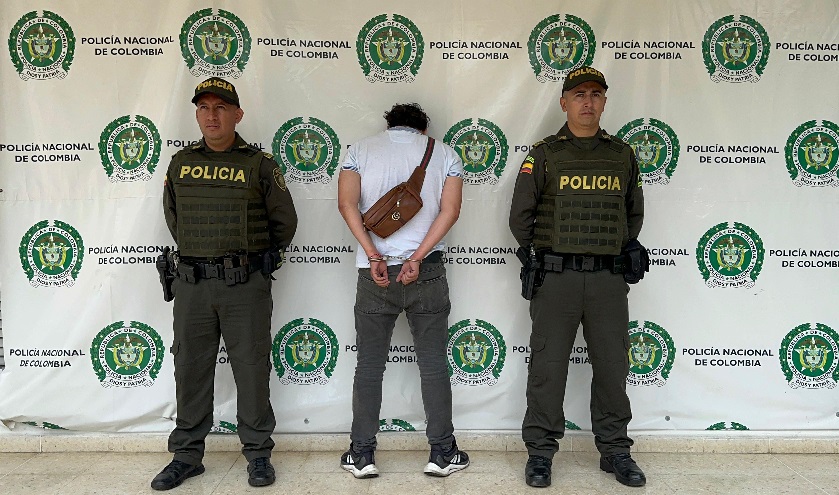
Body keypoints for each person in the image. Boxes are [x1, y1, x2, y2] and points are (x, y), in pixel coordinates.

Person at [152, 77, 297, 490]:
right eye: (203, 107)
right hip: (192, 285)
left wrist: (252, 262)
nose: (211, 115)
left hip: (244, 284)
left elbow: (284, 223)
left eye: (220, 107)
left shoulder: (259, 164)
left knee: (251, 369)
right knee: (190, 368)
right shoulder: (181, 163)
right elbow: (175, 218)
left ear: (237, 114)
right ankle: (186, 456)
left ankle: (258, 454)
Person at [508, 66, 647, 488]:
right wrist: (542, 256)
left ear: (604, 101)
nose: (588, 101)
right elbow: (520, 218)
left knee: (612, 367)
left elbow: (633, 214)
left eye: (596, 94)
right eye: (580, 94)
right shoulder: (544, 154)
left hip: (607, 279)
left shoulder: (622, 154)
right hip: (557, 278)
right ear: (564, 102)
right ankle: (540, 453)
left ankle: (615, 450)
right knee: (548, 368)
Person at [336, 103, 469, 479]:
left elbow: (346, 205)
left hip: (374, 272)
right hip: (426, 272)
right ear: (423, 130)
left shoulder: (359, 151)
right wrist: (417, 256)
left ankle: (361, 454)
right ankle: (442, 453)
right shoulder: (445, 154)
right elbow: (450, 211)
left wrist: (373, 253)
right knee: (433, 366)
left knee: (369, 366)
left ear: (389, 125)